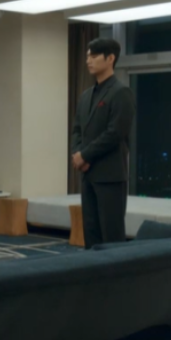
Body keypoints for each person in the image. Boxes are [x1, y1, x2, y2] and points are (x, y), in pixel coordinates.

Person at [70, 38, 136, 248]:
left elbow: (115, 133)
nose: (88, 60)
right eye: (87, 56)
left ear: (110, 59)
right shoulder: (86, 95)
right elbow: (77, 130)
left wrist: (85, 155)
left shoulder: (121, 92)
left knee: (111, 234)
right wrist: (77, 154)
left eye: (94, 56)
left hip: (110, 176)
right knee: (91, 233)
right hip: (88, 175)